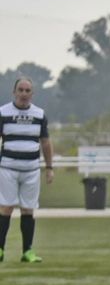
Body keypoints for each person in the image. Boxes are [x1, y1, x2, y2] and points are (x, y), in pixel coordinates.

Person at [0, 78, 54, 263]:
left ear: (32, 94)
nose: (23, 93)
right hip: (7, 168)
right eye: (20, 90)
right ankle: (0, 249)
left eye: (27, 90)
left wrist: (49, 168)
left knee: (28, 209)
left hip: (31, 170)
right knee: (6, 207)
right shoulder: (3, 112)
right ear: (14, 92)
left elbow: (45, 142)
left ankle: (27, 251)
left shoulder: (39, 114)